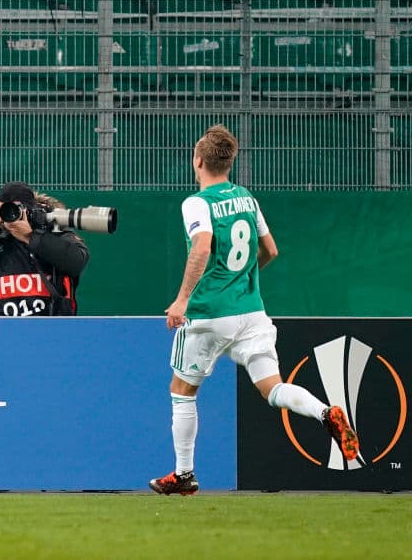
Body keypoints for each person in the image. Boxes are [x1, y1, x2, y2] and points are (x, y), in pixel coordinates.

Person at [150, 124, 359, 496]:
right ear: (229, 163)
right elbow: (271, 251)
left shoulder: (197, 203)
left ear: (197, 161)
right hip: (252, 311)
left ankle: (184, 475)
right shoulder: (247, 198)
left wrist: (182, 300)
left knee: (182, 390)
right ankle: (325, 413)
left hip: (209, 314)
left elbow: (201, 248)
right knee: (272, 388)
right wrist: (239, 279)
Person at [0, 181, 89, 317]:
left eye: (19, 209)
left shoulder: (53, 231)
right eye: (7, 209)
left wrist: (31, 237)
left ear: (30, 210)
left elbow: (76, 261)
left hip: (51, 327)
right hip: (0, 327)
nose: (14, 215)